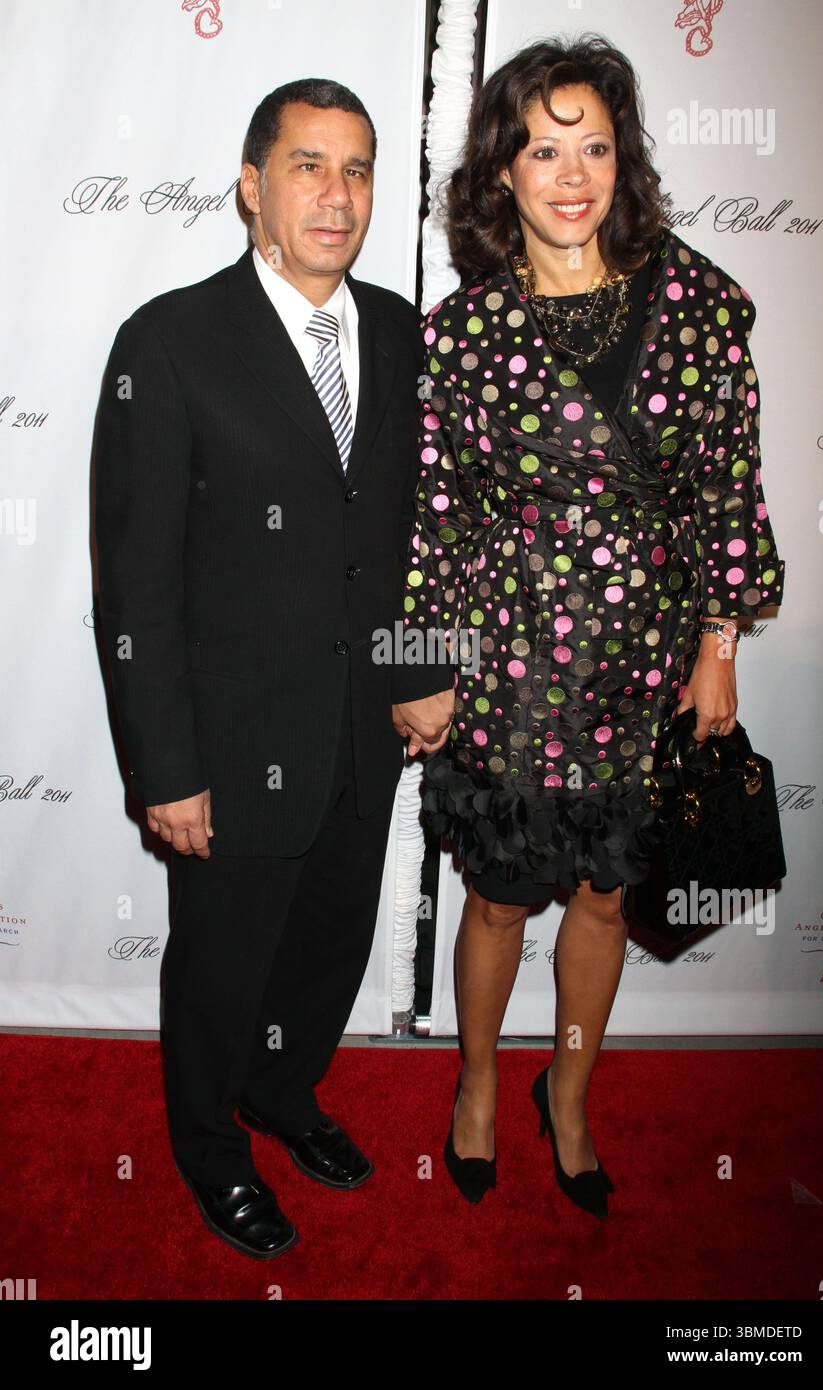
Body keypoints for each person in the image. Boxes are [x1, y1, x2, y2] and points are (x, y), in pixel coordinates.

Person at [392, 35, 785, 1219]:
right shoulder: (462, 336)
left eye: (595, 147)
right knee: (500, 900)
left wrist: (718, 650)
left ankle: (567, 1093)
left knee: (605, 902)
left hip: (641, 672)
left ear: (626, 161)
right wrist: (423, 666)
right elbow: (437, 516)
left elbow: (730, 487)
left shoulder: (697, 302)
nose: (572, 175)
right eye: (541, 149)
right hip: (509, 673)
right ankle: (473, 1085)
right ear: (499, 174)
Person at [94, 78, 438, 1259]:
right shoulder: (170, 342)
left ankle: (282, 1097)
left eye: (355, 170)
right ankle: (208, 1144)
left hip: (363, 732)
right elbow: (136, 586)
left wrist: (423, 667)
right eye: (307, 166)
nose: (335, 196)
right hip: (233, 745)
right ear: (252, 186)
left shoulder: (402, 332)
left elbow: (422, 530)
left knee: (332, 943)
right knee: (221, 967)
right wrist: (167, 767)